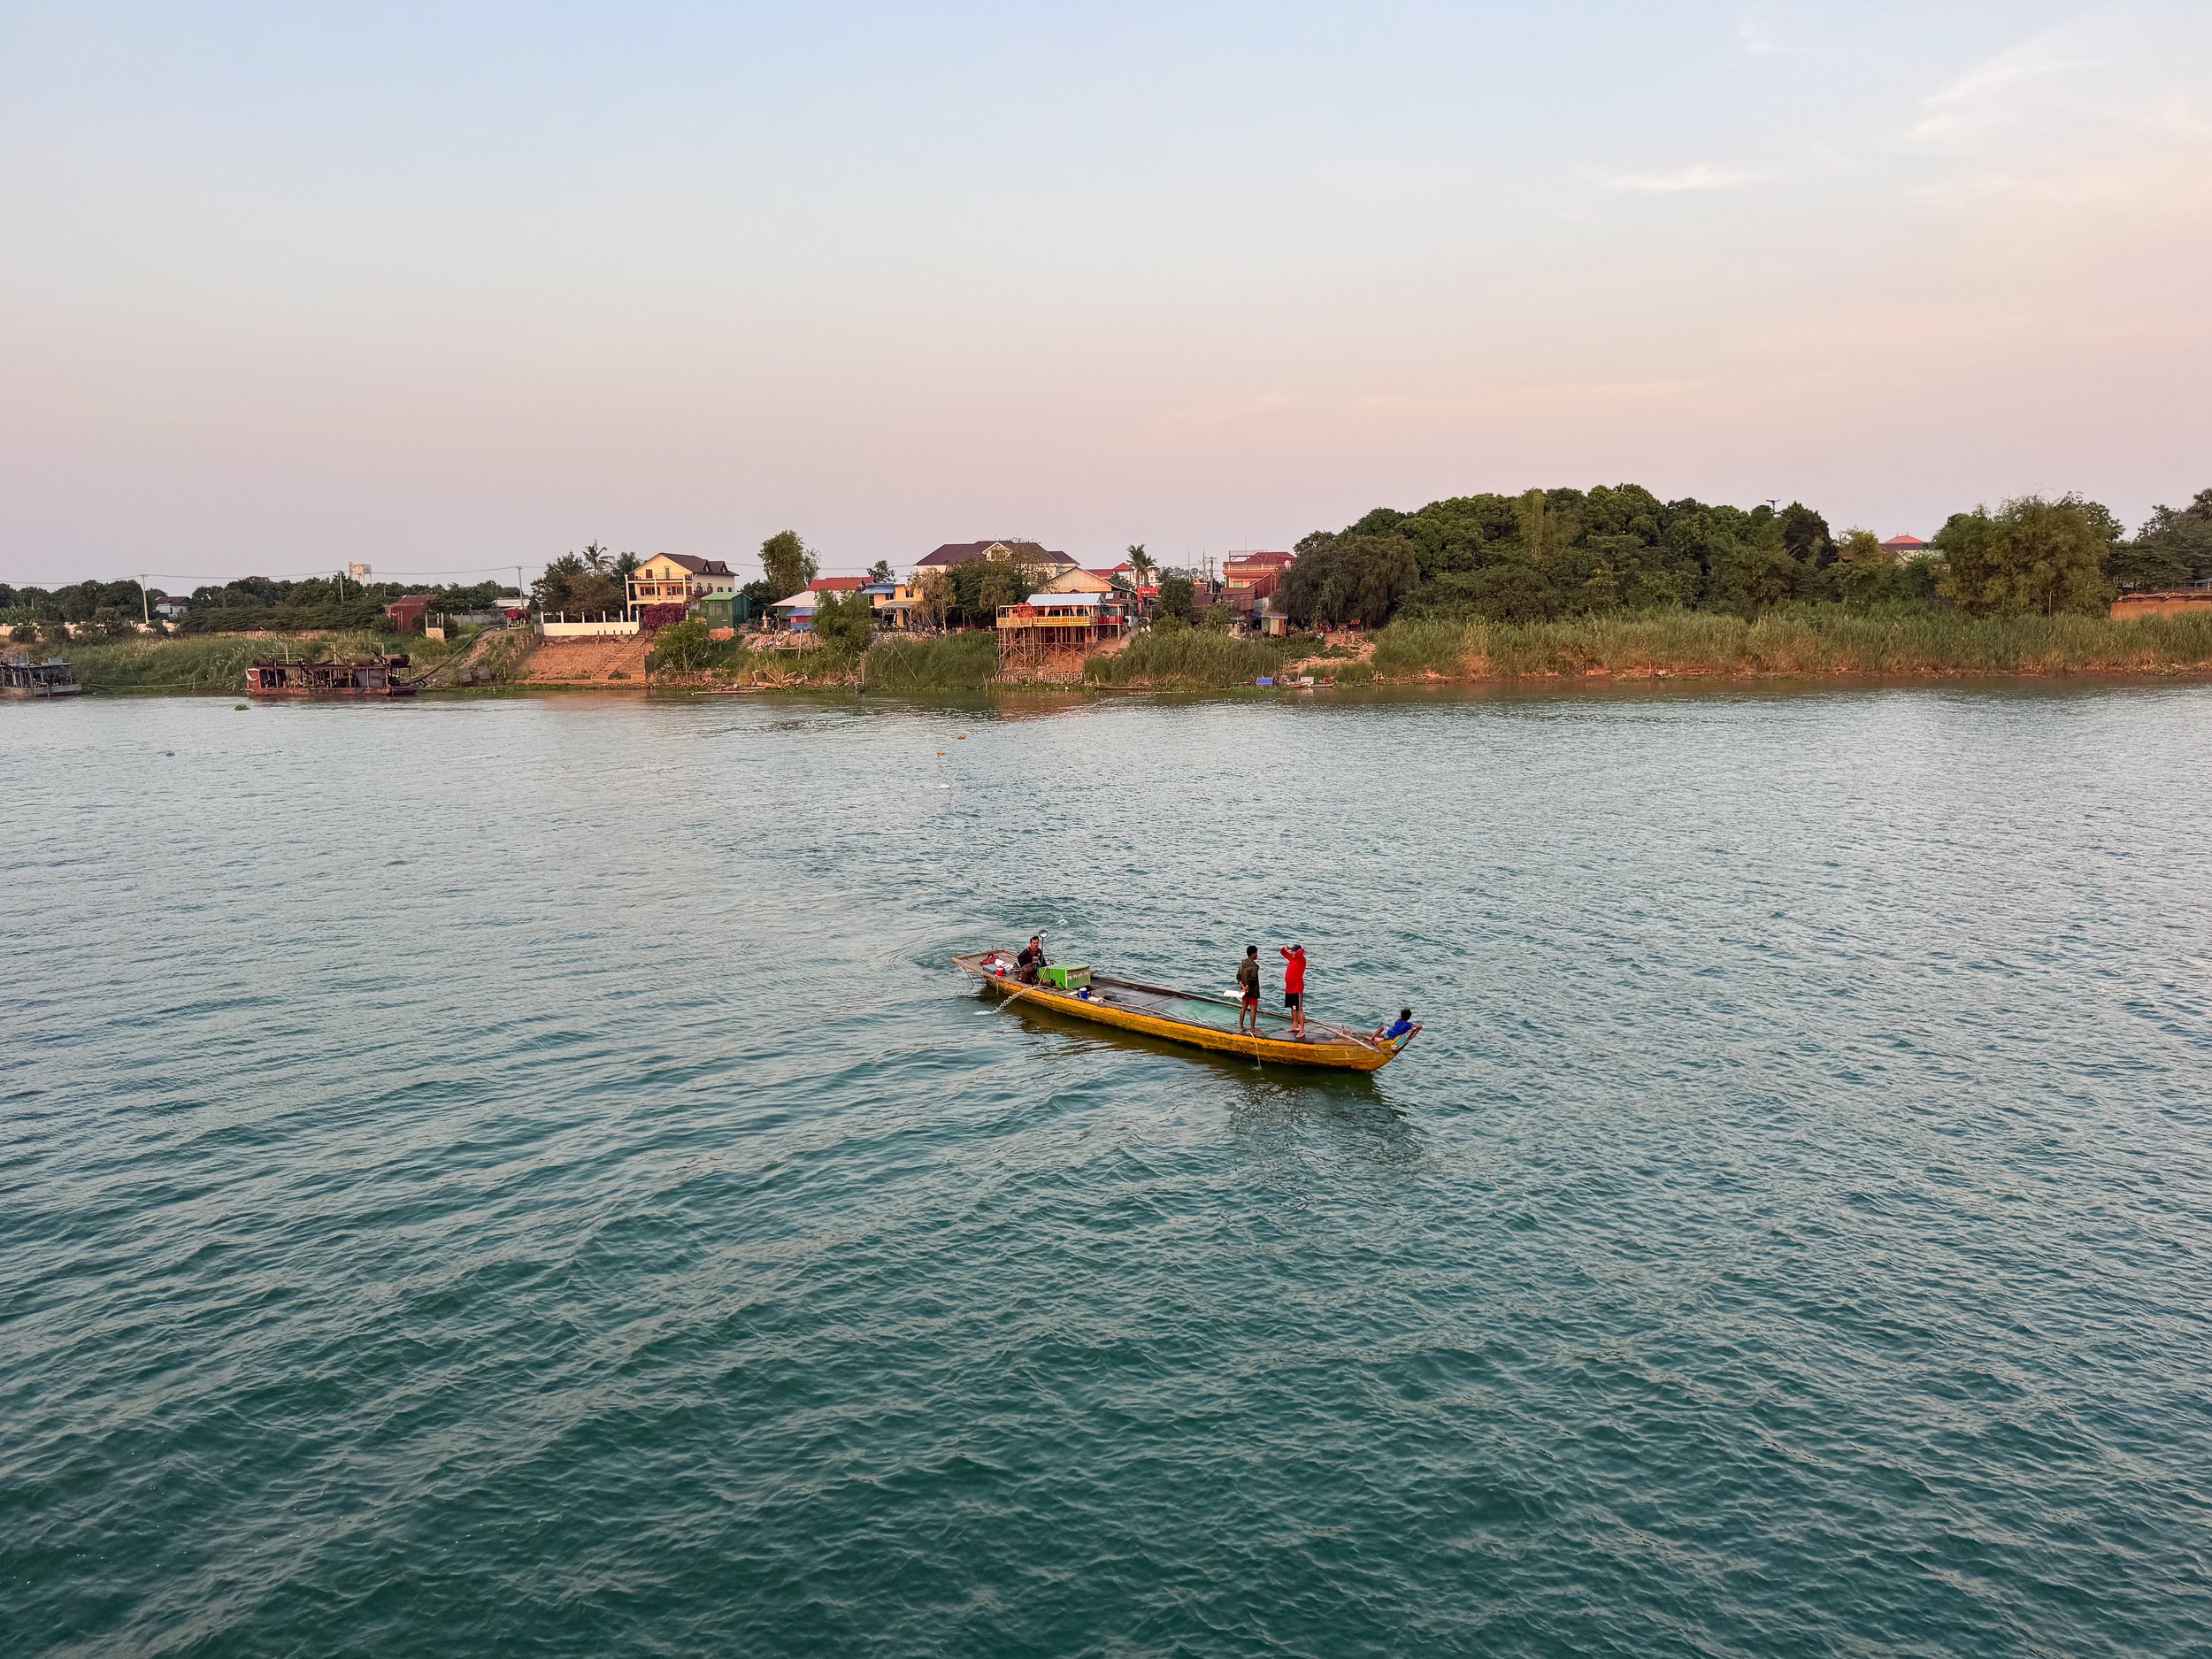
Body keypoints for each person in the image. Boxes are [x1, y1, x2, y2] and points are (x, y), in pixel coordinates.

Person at [1279, 944, 1308, 1037]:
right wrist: (1285, 948)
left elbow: (1300, 953)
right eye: (1291, 951)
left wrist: (1301, 949)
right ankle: (1295, 1026)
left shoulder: (1301, 959)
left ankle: (1302, 1030)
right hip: (1289, 988)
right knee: (1293, 1008)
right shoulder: (1291, 958)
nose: (1292, 953)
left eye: (1294, 951)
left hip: (1297, 988)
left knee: (1299, 1009)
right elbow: (1283, 953)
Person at [1235, 945, 1261, 1033]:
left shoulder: (1242, 963)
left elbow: (1238, 977)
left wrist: (1243, 987)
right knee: (1253, 1009)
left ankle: (1241, 1027)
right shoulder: (1254, 966)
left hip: (1244, 992)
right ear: (1253, 954)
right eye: (1256, 953)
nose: (1257, 954)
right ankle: (1252, 1029)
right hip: (1252, 991)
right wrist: (1247, 987)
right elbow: (1252, 980)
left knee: (1243, 1007)